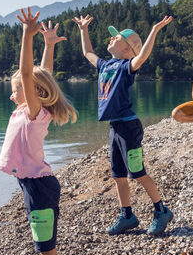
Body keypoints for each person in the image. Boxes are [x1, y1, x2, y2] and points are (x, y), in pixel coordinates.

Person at [0, 8, 77, 255]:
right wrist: (50, 45)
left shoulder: (33, 111)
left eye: (16, 89)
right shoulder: (31, 108)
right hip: (35, 186)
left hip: (39, 189)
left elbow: (30, 74)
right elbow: (44, 74)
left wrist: (27, 35)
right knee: (46, 251)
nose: (13, 93)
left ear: (33, 94)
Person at [72, 13, 175, 236]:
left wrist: (154, 31)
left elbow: (144, 55)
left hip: (129, 127)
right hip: (115, 127)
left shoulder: (126, 66)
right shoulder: (105, 65)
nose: (111, 39)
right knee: (118, 175)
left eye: (116, 37)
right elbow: (87, 52)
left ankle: (161, 210)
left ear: (128, 48)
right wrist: (83, 30)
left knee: (137, 172)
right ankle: (127, 215)